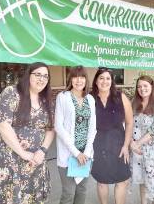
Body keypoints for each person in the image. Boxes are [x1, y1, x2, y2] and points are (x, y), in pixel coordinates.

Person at [0, 62, 55, 204]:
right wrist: (23, 153)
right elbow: (3, 125)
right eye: (38, 74)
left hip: (35, 160)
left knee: (32, 198)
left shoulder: (46, 100)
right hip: (10, 159)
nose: (42, 79)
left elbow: (50, 129)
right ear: (28, 75)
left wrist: (42, 151)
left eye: (46, 76)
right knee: (11, 199)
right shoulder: (12, 93)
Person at [91, 67, 133, 204]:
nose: (104, 81)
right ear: (96, 81)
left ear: (112, 81)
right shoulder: (90, 99)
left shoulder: (121, 97)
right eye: (101, 78)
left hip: (119, 144)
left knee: (121, 180)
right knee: (102, 181)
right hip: (98, 145)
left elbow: (129, 122)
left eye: (108, 78)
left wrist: (126, 145)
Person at [55, 65, 97, 204]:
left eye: (82, 77)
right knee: (68, 193)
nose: (79, 80)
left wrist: (85, 152)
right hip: (68, 154)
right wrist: (76, 152)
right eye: (75, 77)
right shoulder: (63, 97)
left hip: (85, 154)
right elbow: (58, 127)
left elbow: (92, 128)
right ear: (70, 79)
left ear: (86, 80)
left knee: (82, 190)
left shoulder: (90, 99)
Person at [130, 75, 154, 204]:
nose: (142, 89)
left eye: (145, 86)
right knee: (142, 178)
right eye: (139, 86)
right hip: (138, 150)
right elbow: (127, 123)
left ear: (152, 87)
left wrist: (137, 144)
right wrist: (131, 142)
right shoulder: (134, 103)